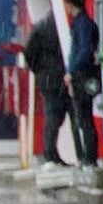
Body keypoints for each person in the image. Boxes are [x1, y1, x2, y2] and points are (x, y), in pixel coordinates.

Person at [22, 18, 72, 167]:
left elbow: (29, 53)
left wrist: (39, 70)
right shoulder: (67, 24)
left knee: (52, 116)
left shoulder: (40, 27)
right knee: (66, 116)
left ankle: (50, 153)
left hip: (47, 78)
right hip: (62, 77)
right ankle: (52, 154)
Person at [64, 0, 101, 169]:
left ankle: (89, 159)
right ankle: (87, 157)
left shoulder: (82, 24)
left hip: (83, 76)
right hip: (83, 75)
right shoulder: (84, 24)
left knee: (84, 118)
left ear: (71, 5)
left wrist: (72, 71)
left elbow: (83, 51)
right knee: (83, 118)